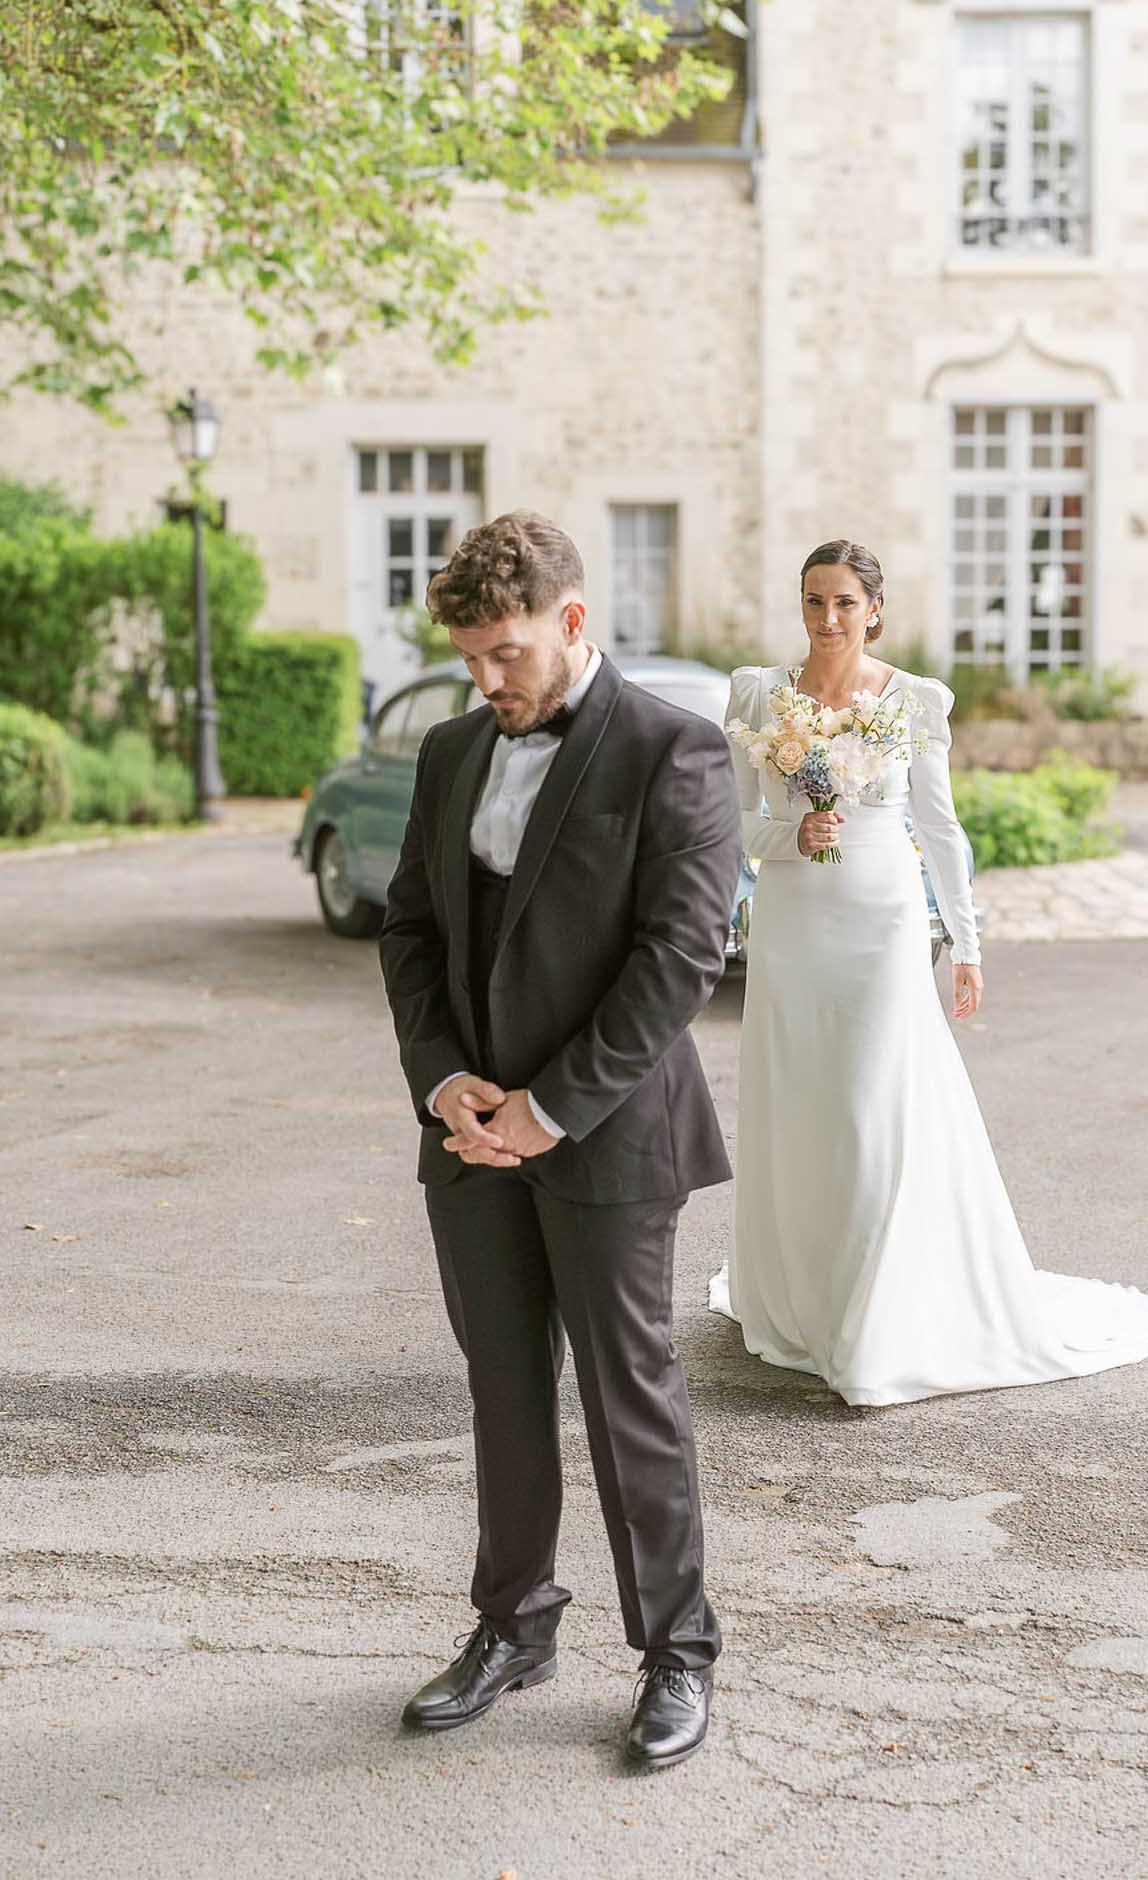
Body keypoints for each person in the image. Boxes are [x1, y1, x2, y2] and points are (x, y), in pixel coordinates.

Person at [380, 512, 740, 1768]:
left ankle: (678, 1652)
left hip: (610, 1135)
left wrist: (550, 1105)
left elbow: (679, 956)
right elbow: (411, 932)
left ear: (573, 621)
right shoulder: (447, 750)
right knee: (501, 1388)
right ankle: (513, 1625)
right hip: (471, 1135)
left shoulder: (675, 752)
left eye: (506, 653)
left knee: (627, 1391)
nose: (486, 680)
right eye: (470, 658)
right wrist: (446, 1085)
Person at [709, 538, 1148, 1406]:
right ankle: (799, 1295)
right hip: (791, 922)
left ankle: (877, 1312)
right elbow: (734, 819)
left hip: (884, 921)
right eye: (813, 601)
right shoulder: (757, 695)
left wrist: (965, 943)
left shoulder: (915, 701)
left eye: (844, 603)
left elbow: (942, 828)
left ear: (875, 609)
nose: (826, 619)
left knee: (870, 1101)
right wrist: (789, 835)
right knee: (799, 1098)